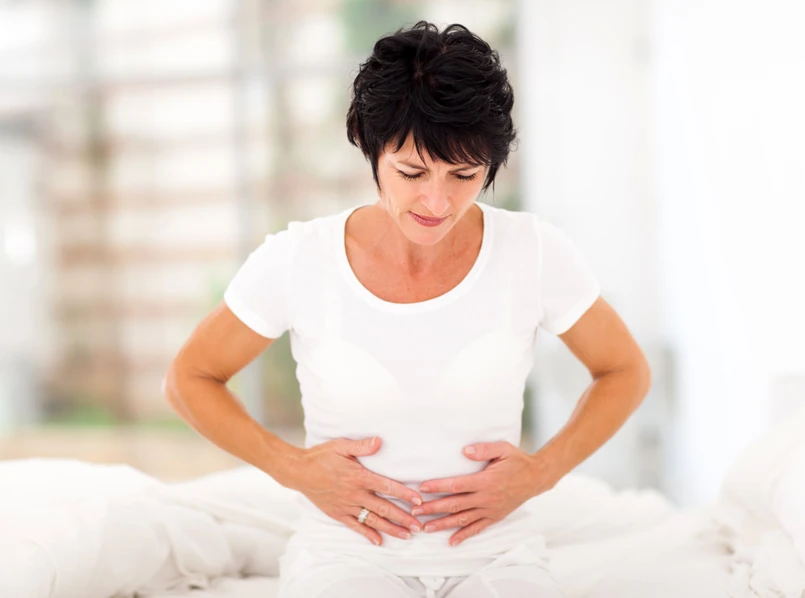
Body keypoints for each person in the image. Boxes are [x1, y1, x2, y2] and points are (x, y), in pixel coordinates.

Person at [164, 20, 651, 598]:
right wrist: (293, 467)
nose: (437, 201)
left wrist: (541, 473)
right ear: (370, 147)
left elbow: (624, 371)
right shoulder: (300, 258)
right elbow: (190, 378)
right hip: (346, 554)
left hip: (496, 554)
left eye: (464, 175)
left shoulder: (532, 251)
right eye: (412, 172)